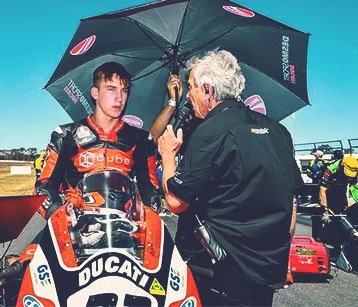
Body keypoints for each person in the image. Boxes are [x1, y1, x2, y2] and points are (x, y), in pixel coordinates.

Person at [157, 49, 303, 306]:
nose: (189, 96)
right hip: (267, 271)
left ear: (208, 90)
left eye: (191, 88)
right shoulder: (279, 131)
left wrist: (168, 156)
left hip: (218, 274)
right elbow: (291, 203)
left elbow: (176, 203)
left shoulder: (208, 132)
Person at [35, 61, 160, 218]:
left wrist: (145, 215)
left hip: (125, 228)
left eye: (124, 91)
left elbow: (150, 190)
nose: (119, 98)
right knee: (36, 244)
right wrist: (61, 217)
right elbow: (43, 188)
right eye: (111, 89)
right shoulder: (66, 134)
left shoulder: (140, 139)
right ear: (95, 93)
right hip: (76, 227)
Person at [318, 156, 358, 261]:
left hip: (341, 192)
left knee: (342, 221)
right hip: (329, 192)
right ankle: (321, 246)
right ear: (342, 166)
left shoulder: (353, 169)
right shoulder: (330, 169)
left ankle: (340, 248)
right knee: (328, 221)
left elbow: (354, 188)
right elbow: (322, 190)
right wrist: (325, 210)